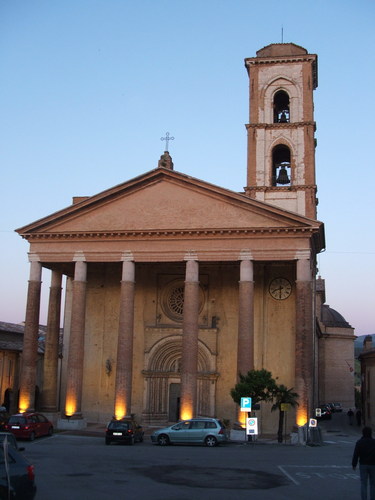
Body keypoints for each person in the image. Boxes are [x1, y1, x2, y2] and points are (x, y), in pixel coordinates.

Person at [352, 427, 375, 500]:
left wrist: (354, 464)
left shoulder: (359, 442)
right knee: (373, 484)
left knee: (363, 484)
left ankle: (364, 498)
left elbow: (356, 454)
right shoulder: (374, 442)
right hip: (373, 464)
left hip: (363, 464)